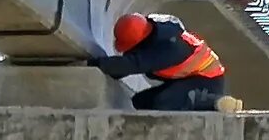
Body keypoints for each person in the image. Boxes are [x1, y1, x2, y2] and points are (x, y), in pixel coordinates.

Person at [95, 10, 227, 113]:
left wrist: (93, 64)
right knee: (141, 102)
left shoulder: (169, 49)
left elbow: (134, 64)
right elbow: (130, 62)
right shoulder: (152, 30)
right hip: (187, 78)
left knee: (164, 103)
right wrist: (111, 70)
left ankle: (213, 102)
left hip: (207, 81)